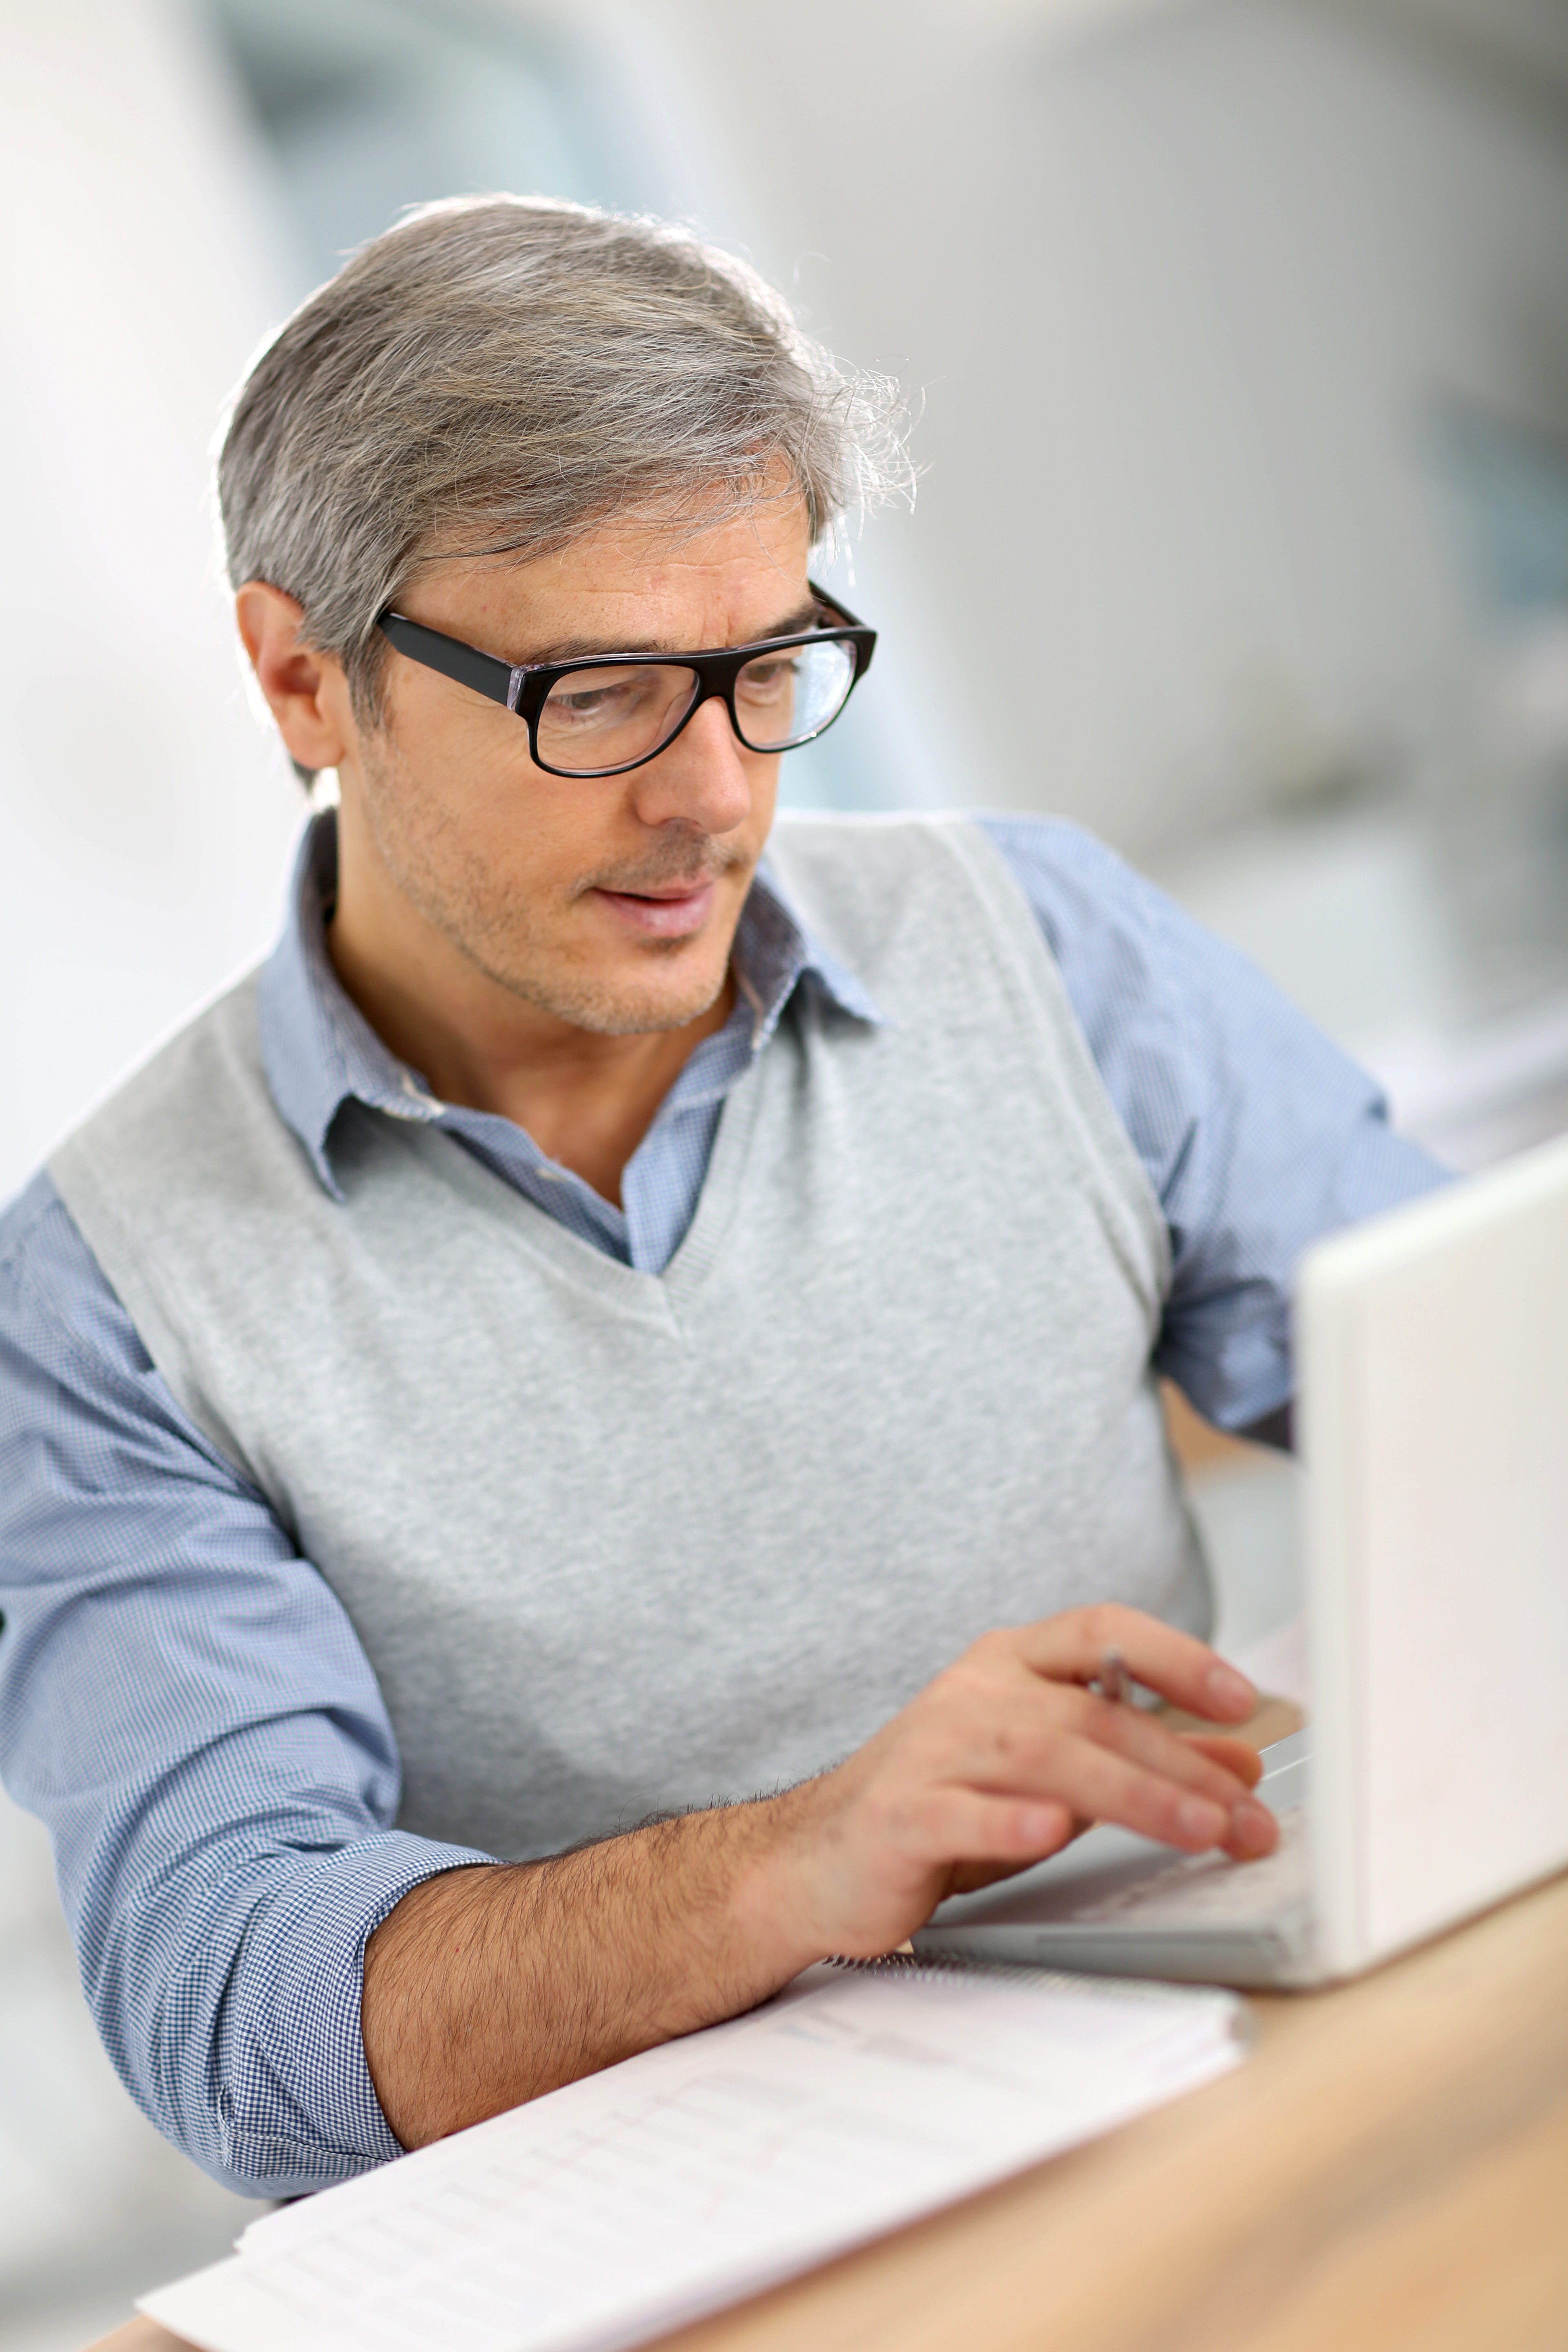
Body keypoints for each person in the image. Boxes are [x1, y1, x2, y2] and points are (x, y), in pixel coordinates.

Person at [0, 197, 1447, 2198]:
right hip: (689, 2248)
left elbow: (1486, 1410)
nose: (714, 795)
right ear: (305, 681)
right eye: (593, 693)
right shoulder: (101, 1302)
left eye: (766, 664)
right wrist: (801, 1861)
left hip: (1220, 2095)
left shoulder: (1041, 945)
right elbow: (229, 2012)